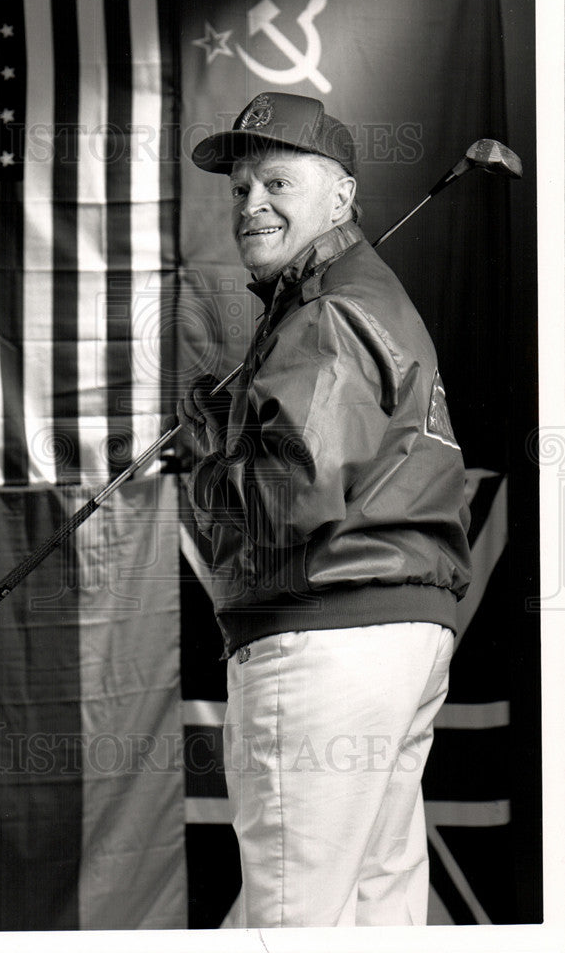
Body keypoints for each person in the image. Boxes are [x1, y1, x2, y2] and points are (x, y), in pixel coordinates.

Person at [177, 92, 472, 928]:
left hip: (324, 634)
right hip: (395, 639)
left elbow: (285, 501)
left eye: (277, 181)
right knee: (375, 912)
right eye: (239, 190)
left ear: (339, 197)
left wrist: (208, 458)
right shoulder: (359, 298)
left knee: (290, 919)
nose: (251, 204)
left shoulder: (330, 310)